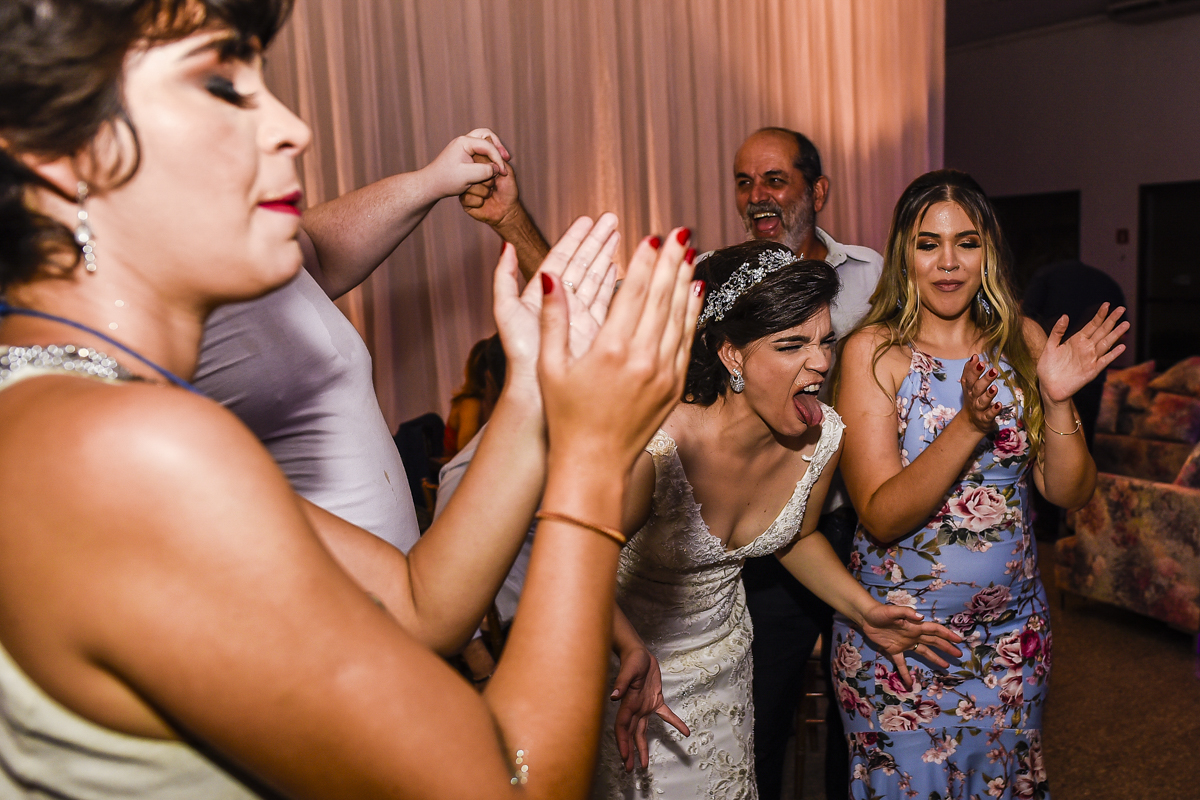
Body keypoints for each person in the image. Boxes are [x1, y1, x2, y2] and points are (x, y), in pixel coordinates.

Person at [0, 2, 704, 798]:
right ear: (56, 148)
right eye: (220, 82)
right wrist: (591, 460)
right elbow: (512, 788)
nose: (294, 126)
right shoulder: (128, 452)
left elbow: (419, 605)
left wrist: (539, 389)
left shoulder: (56, 405)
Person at [590, 241, 962, 800]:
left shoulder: (824, 436)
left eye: (826, 341)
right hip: (623, 666)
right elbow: (575, 569)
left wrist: (866, 612)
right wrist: (630, 648)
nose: (821, 362)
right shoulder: (660, 448)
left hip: (727, 668)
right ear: (732, 355)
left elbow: (797, 537)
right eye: (792, 345)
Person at [833, 170, 1126, 798]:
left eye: (966, 242)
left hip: (1012, 641)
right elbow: (881, 516)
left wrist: (1058, 400)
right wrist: (967, 424)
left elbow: (1068, 493)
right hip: (904, 643)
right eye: (927, 242)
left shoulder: (1021, 340)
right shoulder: (873, 353)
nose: (948, 262)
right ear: (902, 253)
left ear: (987, 251)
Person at [193, 122, 548, 552]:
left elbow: (317, 255)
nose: (291, 128)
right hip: (319, 591)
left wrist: (429, 182)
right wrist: (530, 390)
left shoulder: (235, 239)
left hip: (384, 584)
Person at [732, 126, 884, 799]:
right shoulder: (725, 280)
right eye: (744, 182)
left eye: (774, 180)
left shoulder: (876, 277)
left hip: (865, 523)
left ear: (817, 190)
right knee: (761, 713)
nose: (757, 197)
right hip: (765, 534)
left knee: (865, 715)